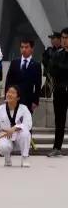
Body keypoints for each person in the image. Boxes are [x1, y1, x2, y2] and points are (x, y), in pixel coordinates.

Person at [0, 85, 32, 168]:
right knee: (3, 147)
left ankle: (25, 158)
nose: (9, 94)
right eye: (8, 92)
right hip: (6, 135)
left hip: (19, 134)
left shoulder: (24, 109)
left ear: (18, 97)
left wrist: (14, 128)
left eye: (13, 93)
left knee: (25, 133)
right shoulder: (0, 109)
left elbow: (28, 124)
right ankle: (7, 158)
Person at [4, 39, 41, 113]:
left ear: (32, 49)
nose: (24, 49)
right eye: (22, 47)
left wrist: (35, 101)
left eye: (26, 47)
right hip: (14, 97)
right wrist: (6, 96)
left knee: (25, 122)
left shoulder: (36, 65)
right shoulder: (14, 62)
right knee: (13, 120)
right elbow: (8, 81)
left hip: (28, 98)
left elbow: (38, 85)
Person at [47, 28, 68, 157]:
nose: (64, 41)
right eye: (63, 38)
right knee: (59, 120)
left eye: (66, 38)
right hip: (60, 90)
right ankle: (57, 147)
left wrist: (61, 69)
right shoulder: (58, 54)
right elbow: (51, 70)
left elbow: (59, 69)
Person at [42, 31, 61, 99]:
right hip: (50, 77)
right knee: (44, 95)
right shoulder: (49, 50)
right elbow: (44, 61)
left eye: (53, 38)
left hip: (60, 78)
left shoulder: (63, 51)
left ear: (59, 39)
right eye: (51, 38)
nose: (51, 40)